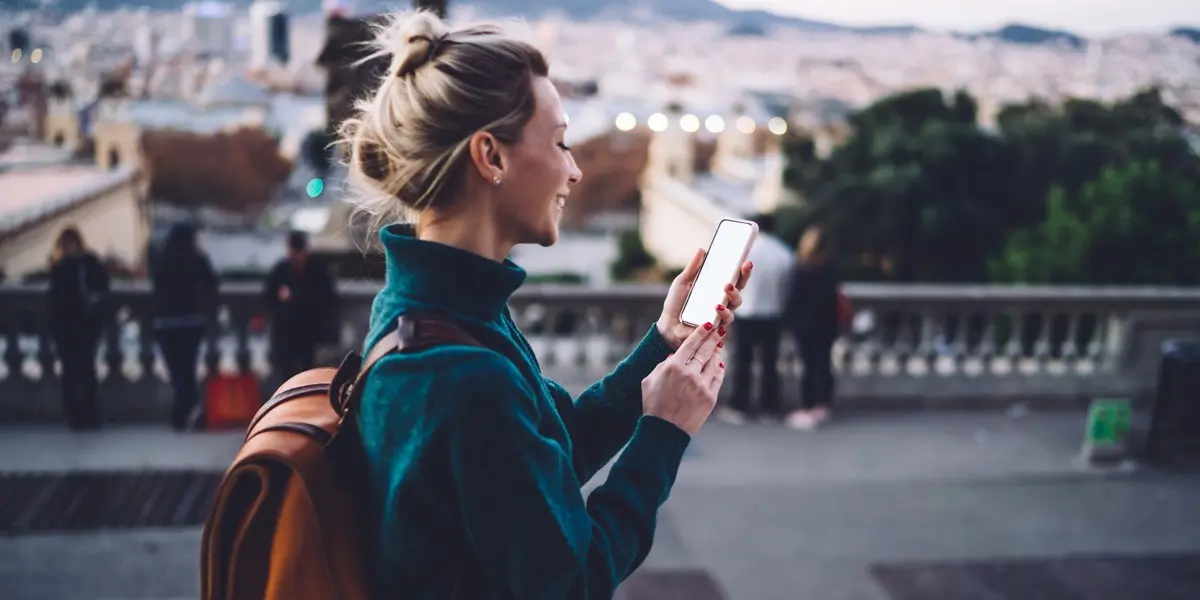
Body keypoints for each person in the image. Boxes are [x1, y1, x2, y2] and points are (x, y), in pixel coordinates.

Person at [336, 10, 753, 599]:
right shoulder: (465, 372)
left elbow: (545, 457)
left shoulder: (427, 311)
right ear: (491, 157)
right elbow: (574, 583)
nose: (575, 170)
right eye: (559, 143)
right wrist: (663, 433)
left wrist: (663, 343)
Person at [715, 213, 794, 425]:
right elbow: (788, 287)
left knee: (742, 362)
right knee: (770, 364)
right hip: (772, 313)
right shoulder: (783, 253)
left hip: (745, 312)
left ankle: (739, 406)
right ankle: (769, 407)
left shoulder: (745, 250)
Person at [151, 222, 219, 431]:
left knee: (176, 371)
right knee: (187, 369)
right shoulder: (197, 260)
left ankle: (183, 412)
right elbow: (212, 283)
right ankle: (186, 411)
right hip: (190, 321)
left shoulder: (163, 260)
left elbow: (156, 290)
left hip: (166, 323)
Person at [45, 226, 109, 431]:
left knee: (83, 372)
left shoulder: (71, 267)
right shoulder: (72, 267)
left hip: (81, 327)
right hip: (71, 329)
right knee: (75, 373)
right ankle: (79, 415)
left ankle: (87, 414)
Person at [783, 225, 841, 431]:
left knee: (808, 366)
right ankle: (823, 404)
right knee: (823, 365)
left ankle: (809, 407)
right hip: (827, 324)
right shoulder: (831, 268)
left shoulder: (803, 268)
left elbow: (794, 299)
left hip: (806, 324)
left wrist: (788, 321)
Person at [262, 230, 338, 382]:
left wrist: (296, 296)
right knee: (285, 375)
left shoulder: (317, 270)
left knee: (309, 374)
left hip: (309, 332)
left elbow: (327, 298)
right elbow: (268, 297)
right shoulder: (281, 270)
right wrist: (281, 299)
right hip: (285, 333)